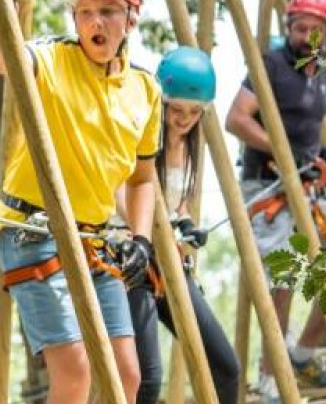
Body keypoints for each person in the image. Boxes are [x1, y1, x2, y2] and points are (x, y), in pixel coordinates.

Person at [0, 0, 160, 404]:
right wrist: (3, 10)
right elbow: (7, 60)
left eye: (108, 11)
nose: (96, 22)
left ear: (131, 19)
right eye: (85, 12)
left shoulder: (145, 89)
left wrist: (141, 238)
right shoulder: (53, 58)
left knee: (126, 377)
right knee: (76, 373)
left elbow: (142, 177)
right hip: (34, 232)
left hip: (95, 241)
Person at [225, 0, 326, 391]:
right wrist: (282, 149)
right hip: (268, 185)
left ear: (325, 34)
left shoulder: (324, 69)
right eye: (299, 27)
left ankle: (303, 353)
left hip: (309, 189)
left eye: (314, 30)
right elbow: (237, 119)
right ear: (288, 27)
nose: (305, 36)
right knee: (283, 279)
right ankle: (269, 377)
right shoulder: (270, 65)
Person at [127, 47, 241, 404]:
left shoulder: (192, 144)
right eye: (176, 109)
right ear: (161, 103)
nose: (184, 119)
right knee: (146, 381)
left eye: (194, 112)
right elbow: (125, 195)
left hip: (170, 264)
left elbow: (178, 201)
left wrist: (187, 223)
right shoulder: (138, 138)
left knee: (226, 367)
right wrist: (150, 231)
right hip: (131, 261)